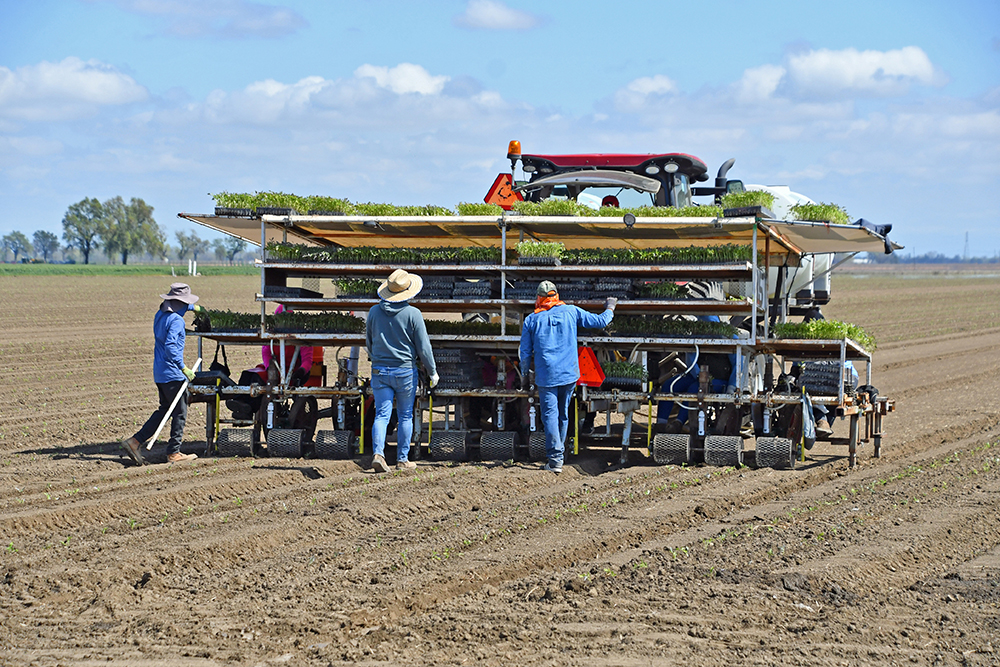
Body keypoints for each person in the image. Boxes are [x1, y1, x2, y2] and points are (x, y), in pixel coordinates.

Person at [519, 280, 616, 473]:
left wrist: (524, 375)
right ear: (556, 295)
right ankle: (559, 455)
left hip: (546, 375)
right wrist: (610, 308)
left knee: (550, 415)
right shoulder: (571, 311)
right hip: (569, 374)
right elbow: (600, 322)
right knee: (563, 414)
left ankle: (555, 460)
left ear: (538, 298)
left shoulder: (532, 320)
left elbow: (525, 353)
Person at [120, 283, 203, 465]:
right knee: (180, 413)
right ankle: (174, 453)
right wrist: (184, 368)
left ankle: (134, 442)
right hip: (173, 374)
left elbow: (178, 310)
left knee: (164, 410)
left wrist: (193, 307)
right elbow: (171, 347)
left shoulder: (160, 315)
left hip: (160, 372)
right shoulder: (176, 321)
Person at [366, 269, 438, 472]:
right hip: (405, 371)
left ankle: (378, 454)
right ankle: (402, 459)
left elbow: (369, 342)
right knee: (406, 415)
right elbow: (423, 347)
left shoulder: (374, 312)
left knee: (382, 415)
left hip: (380, 370)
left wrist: (378, 358)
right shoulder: (413, 314)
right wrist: (432, 371)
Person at [232, 305, 313, 418]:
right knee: (248, 375)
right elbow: (266, 352)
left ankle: (249, 408)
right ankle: (239, 403)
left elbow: (307, 360)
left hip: (291, 373)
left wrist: (300, 372)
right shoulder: (271, 334)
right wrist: (270, 368)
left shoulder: (301, 336)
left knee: (258, 379)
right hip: (273, 368)